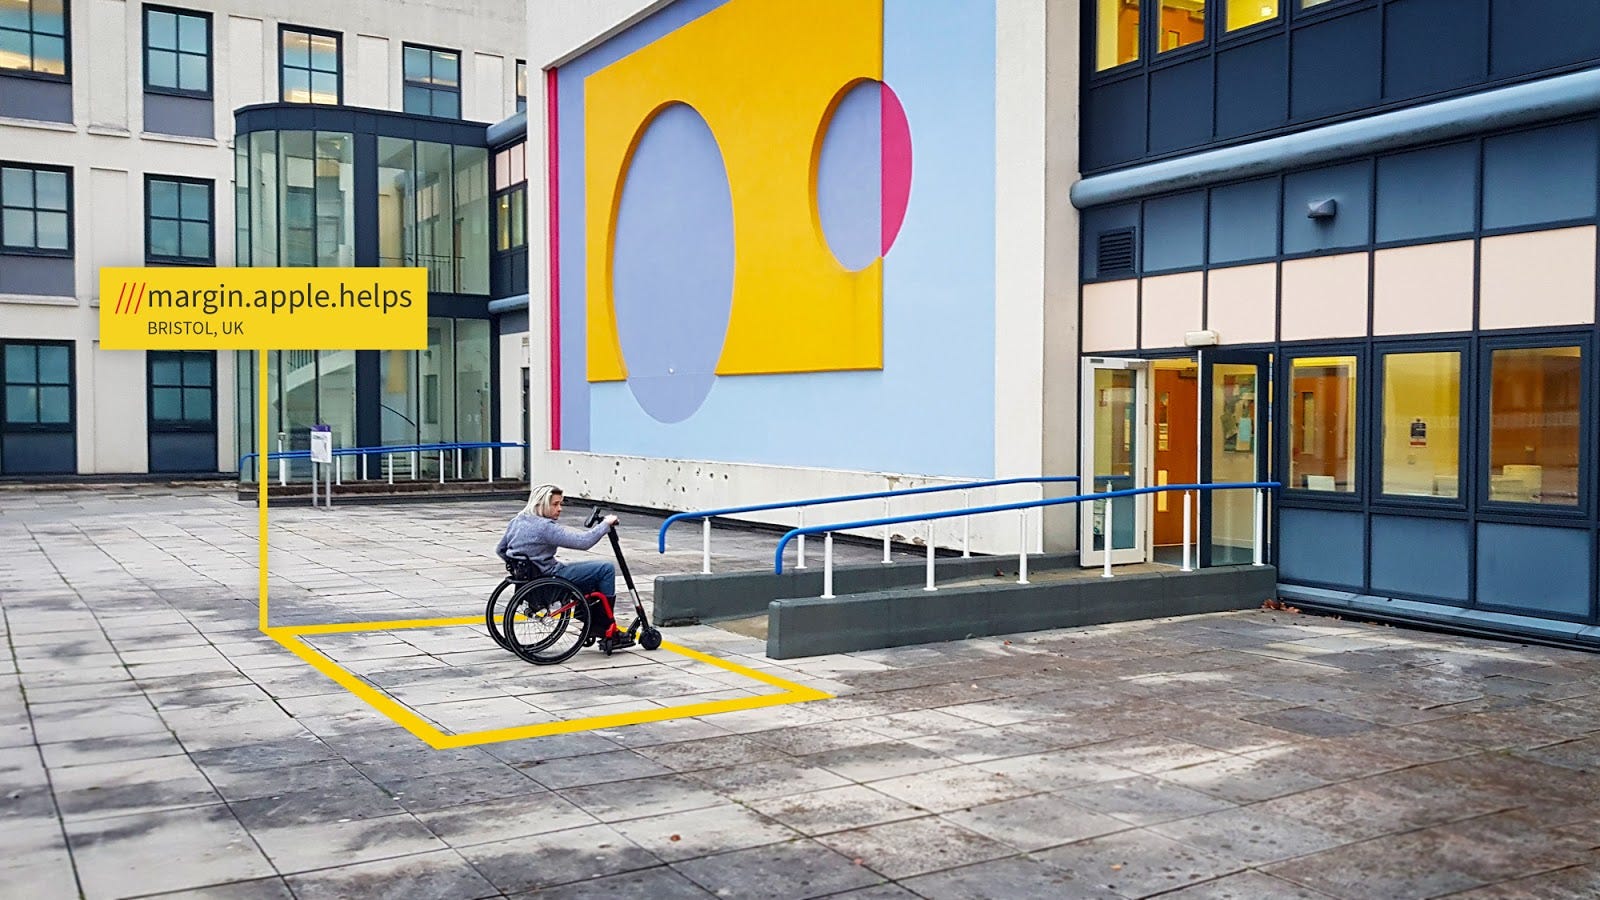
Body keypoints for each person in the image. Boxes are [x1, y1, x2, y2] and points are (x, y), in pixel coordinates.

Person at [496, 484, 629, 645]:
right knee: (605, 569)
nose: (559, 509)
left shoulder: (516, 521)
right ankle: (604, 625)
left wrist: (522, 567)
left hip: (530, 579)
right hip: (551, 576)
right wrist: (605, 524)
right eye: (555, 504)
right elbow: (583, 542)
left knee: (586, 571)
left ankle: (589, 615)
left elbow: (501, 550)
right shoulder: (544, 527)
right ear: (540, 504)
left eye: (561, 504)